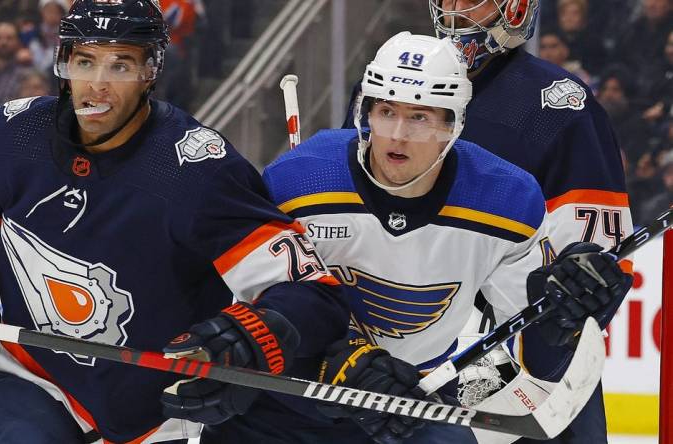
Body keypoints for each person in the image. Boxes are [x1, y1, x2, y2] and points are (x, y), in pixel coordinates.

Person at [0, 1, 348, 443]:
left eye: (120, 65)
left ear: (149, 72)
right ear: (64, 62)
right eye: (85, 61)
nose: (96, 85)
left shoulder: (197, 170)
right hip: (33, 376)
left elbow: (308, 293)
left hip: (155, 409)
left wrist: (250, 341)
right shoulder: (16, 134)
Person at [189, 32, 632, 444]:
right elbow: (252, 299)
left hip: (408, 408)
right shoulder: (299, 178)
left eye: (419, 117)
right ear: (366, 112)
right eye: (386, 112)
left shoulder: (507, 199)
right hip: (288, 400)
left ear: (453, 124)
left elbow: (523, 343)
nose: (397, 135)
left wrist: (561, 319)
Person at [422, 2, 634, 443]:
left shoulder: (556, 103)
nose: (455, 9)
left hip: (526, 357)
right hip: (410, 344)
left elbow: (597, 263)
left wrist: (575, 295)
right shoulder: (396, 84)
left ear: (514, 7)